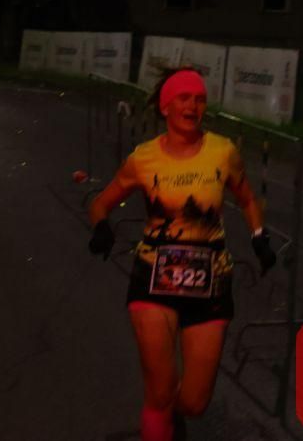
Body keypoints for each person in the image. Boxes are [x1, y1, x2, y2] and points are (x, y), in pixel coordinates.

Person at [87, 68, 276, 441]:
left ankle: (173, 417)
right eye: (184, 98)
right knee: (159, 392)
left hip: (211, 283)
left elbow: (248, 199)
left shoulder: (223, 152)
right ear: (166, 106)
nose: (193, 106)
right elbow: (100, 203)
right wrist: (101, 227)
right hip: (153, 278)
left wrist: (259, 236)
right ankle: (159, 420)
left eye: (200, 99)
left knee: (193, 402)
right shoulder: (143, 158)